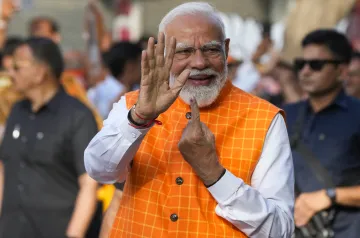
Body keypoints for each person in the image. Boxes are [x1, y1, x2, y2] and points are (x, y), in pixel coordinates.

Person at [84, 2, 294, 237]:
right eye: (184, 51)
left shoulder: (263, 118)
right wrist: (139, 119)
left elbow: (279, 230)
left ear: (226, 49)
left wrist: (215, 174)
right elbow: (99, 170)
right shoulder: (134, 104)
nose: (199, 63)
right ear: (163, 54)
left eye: (211, 50)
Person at [0, 37, 99, 238]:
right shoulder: (18, 111)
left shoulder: (77, 116)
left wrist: (74, 234)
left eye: (17, 68)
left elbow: (89, 184)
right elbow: (4, 170)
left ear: (40, 71)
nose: (10, 74)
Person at [284, 29, 360, 238]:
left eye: (316, 65)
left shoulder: (357, 116)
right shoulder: (284, 114)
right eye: (300, 64)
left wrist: (330, 196)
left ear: (342, 71)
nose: (305, 71)